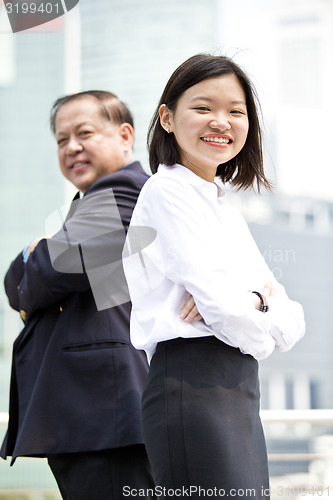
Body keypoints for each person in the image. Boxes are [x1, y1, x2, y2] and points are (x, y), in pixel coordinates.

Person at [123, 55, 306, 499]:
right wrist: (257, 315)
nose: (220, 121)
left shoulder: (220, 203)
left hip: (236, 384)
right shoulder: (167, 191)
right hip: (191, 383)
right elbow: (222, 306)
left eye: (236, 111)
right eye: (203, 107)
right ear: (167, 118)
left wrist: (254, 304)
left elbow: (289, 312)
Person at [0, 90, 157, 499]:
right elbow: (29, 281)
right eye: (61, 139)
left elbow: (47, 272)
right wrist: (33, 257)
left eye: (84, 133)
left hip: (105, 418)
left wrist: (38, 251)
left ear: (125, 135)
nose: (71, 147)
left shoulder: (124, 190)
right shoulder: (92, 203)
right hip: (94, 418)